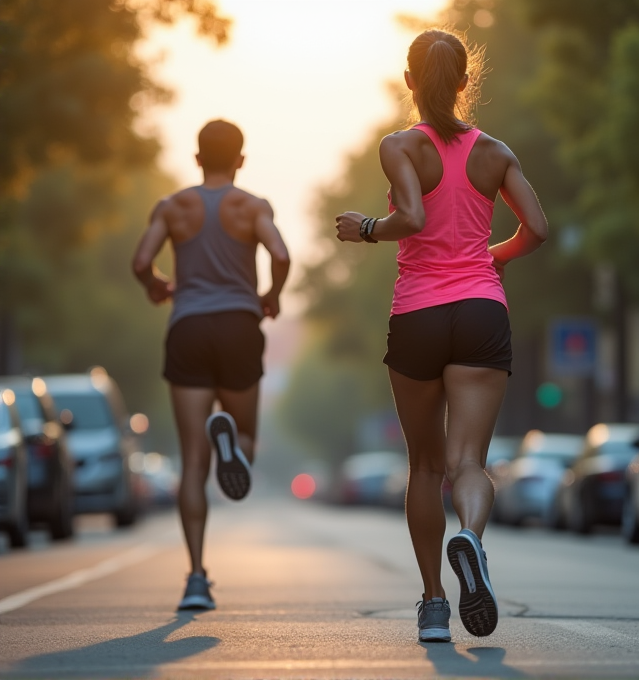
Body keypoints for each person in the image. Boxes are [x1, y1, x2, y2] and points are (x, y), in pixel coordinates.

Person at [336, 29, 547, 642]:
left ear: (409, 82)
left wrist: (369, 228)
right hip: (482, 310)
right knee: (468, 463)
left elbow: (413, 216)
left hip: (420, 315)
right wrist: (497, 256)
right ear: (463, 82)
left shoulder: (400, 145)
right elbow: (536, 227)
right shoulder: (495, 152)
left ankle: (433, 604)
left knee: (426, 467)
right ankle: (470, 539)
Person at [132, 119, 290, 610]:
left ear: (197, 159)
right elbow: (281, 254)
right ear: (240, 160)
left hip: (189, 330)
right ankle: (234, 444)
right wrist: (271, 296)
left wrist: (158, 288)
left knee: (192, 462)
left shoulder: (172, 206)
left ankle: (197, 577)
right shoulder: (252, 206)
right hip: (240, 327)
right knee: (245, 435)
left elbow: (141, 261)